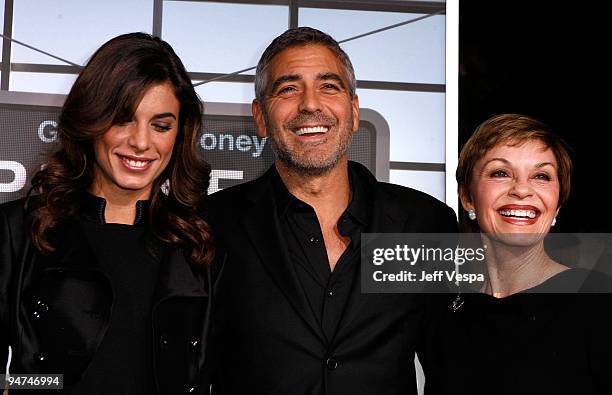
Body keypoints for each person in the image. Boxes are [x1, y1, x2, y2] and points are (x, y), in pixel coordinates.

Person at [207, 27, 458, 395]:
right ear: (260, 117)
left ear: (354, 111)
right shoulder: (212, 223)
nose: (310, 104)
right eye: (288, 88)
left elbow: (455, 367)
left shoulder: (425, 223)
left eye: (329, 86)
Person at [0, 33, 213, 394]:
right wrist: (34, 386)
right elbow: (14, 380)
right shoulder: (19, 230)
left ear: (179, 134)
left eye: (161, 125)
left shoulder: (196, 244)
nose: (141, 142)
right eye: (123, 119)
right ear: (91, 118)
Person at [423, 114, 612, 394]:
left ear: (557, 204)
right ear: (467, 197)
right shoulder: (444, 313)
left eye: (541, 176)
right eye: (500, 173)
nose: (522, 190)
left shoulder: (597, 302)